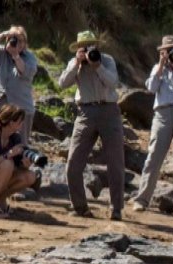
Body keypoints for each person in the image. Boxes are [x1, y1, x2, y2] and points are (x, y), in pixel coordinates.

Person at [129, 35, 173, 214]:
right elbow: (151, 88)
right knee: (153, 157)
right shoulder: (157, 69)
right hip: (162, 114)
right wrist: (161, 66)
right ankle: (142, 199)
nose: (171, 54)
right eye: (167, 50)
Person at [58, 30, 125, 220]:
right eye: (83, 47)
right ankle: (80, 207)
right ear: (78, 48)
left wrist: (97, 66)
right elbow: (62, 83)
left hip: (109, 110)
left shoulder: (107, 60)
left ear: (97, 46)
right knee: (73, 163)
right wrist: (77, 64)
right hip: (85, 112)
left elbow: (113, 83)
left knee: (116, 162)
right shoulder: (75, 62)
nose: (87, 50)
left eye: (90, 46)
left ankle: (116, 208)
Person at [0, 25, 38, 143]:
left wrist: (16, 55)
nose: (17, 43)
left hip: (21, 109)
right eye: (14, 39)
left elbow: (25, 72)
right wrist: (3, 35)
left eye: (21, 40)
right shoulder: (1, 52)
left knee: (19, 144)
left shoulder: (30, 58)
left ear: (25, 43)